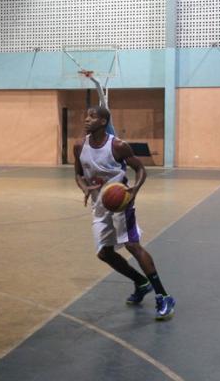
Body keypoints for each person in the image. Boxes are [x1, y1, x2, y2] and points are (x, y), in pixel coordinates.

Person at [73, 106, 175, 321]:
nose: (87, 119)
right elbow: (78, 174)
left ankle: (164, 296)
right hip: (99, 206)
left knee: (132, 245)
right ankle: (141, 282)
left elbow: (140, 169)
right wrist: (84, 188)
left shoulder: (118, 146)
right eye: (87, 116)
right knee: (104, 253)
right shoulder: (79, 146)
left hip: (121, 202)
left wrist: (135, 190)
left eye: (92, 116)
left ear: (103, 121)